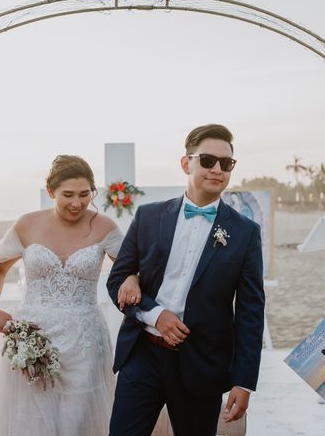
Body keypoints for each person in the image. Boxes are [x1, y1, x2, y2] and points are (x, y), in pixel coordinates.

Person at [107, 124, 265, 436]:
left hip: (202, 364)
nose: (217, 169)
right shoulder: (149, 216)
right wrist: (156, 314)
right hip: (142, 356)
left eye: (226, 163)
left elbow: (250, 313)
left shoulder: (246, 232)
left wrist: (244, 381)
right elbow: (116, 282)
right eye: (207, 160)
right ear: (186, 163)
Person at [0, 155, 140, 436]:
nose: (77, 203)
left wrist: (133, 279)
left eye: (85, 194)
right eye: (68, 195)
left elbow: (130, 267)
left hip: (85, 341)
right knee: (30, 419)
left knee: (77, 419)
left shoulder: (105, 227)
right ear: (51, 192)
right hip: (34, 338)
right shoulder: (27, 224)